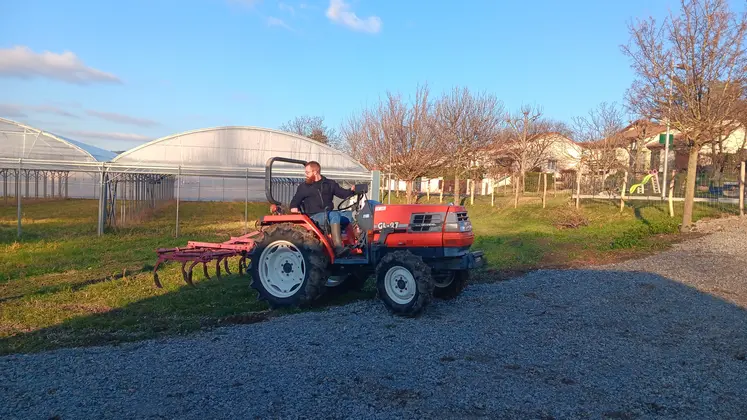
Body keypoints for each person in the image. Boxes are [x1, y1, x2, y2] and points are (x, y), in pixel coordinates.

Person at [289, 161, 355, 256]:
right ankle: (338, 248)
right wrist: (294, 208)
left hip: (328, 214)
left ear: (315, 172)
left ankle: (358, 245)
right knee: (334, 215)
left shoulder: (329, 184)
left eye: (307, 172)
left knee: (352, 215)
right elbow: (294, 202)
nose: (305, 175)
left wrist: (352, 191)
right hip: (313, 217)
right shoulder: (304, 187)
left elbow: (343, 194)